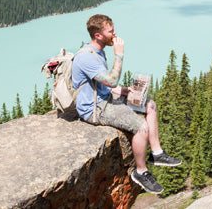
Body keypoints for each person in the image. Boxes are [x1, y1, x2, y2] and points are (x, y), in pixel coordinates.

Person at [72, 14, 181, 194]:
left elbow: (102, 83)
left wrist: (118, 90)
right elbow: (112, 80)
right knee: (142, 127)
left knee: (150, 105)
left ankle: (157, 153)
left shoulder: (98, 50)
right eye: (110, 31)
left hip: (105, 97)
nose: (115, 33)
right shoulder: (86, 58)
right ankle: (140, 171)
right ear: (98, 35)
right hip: (94, 109)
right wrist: (119, 54)